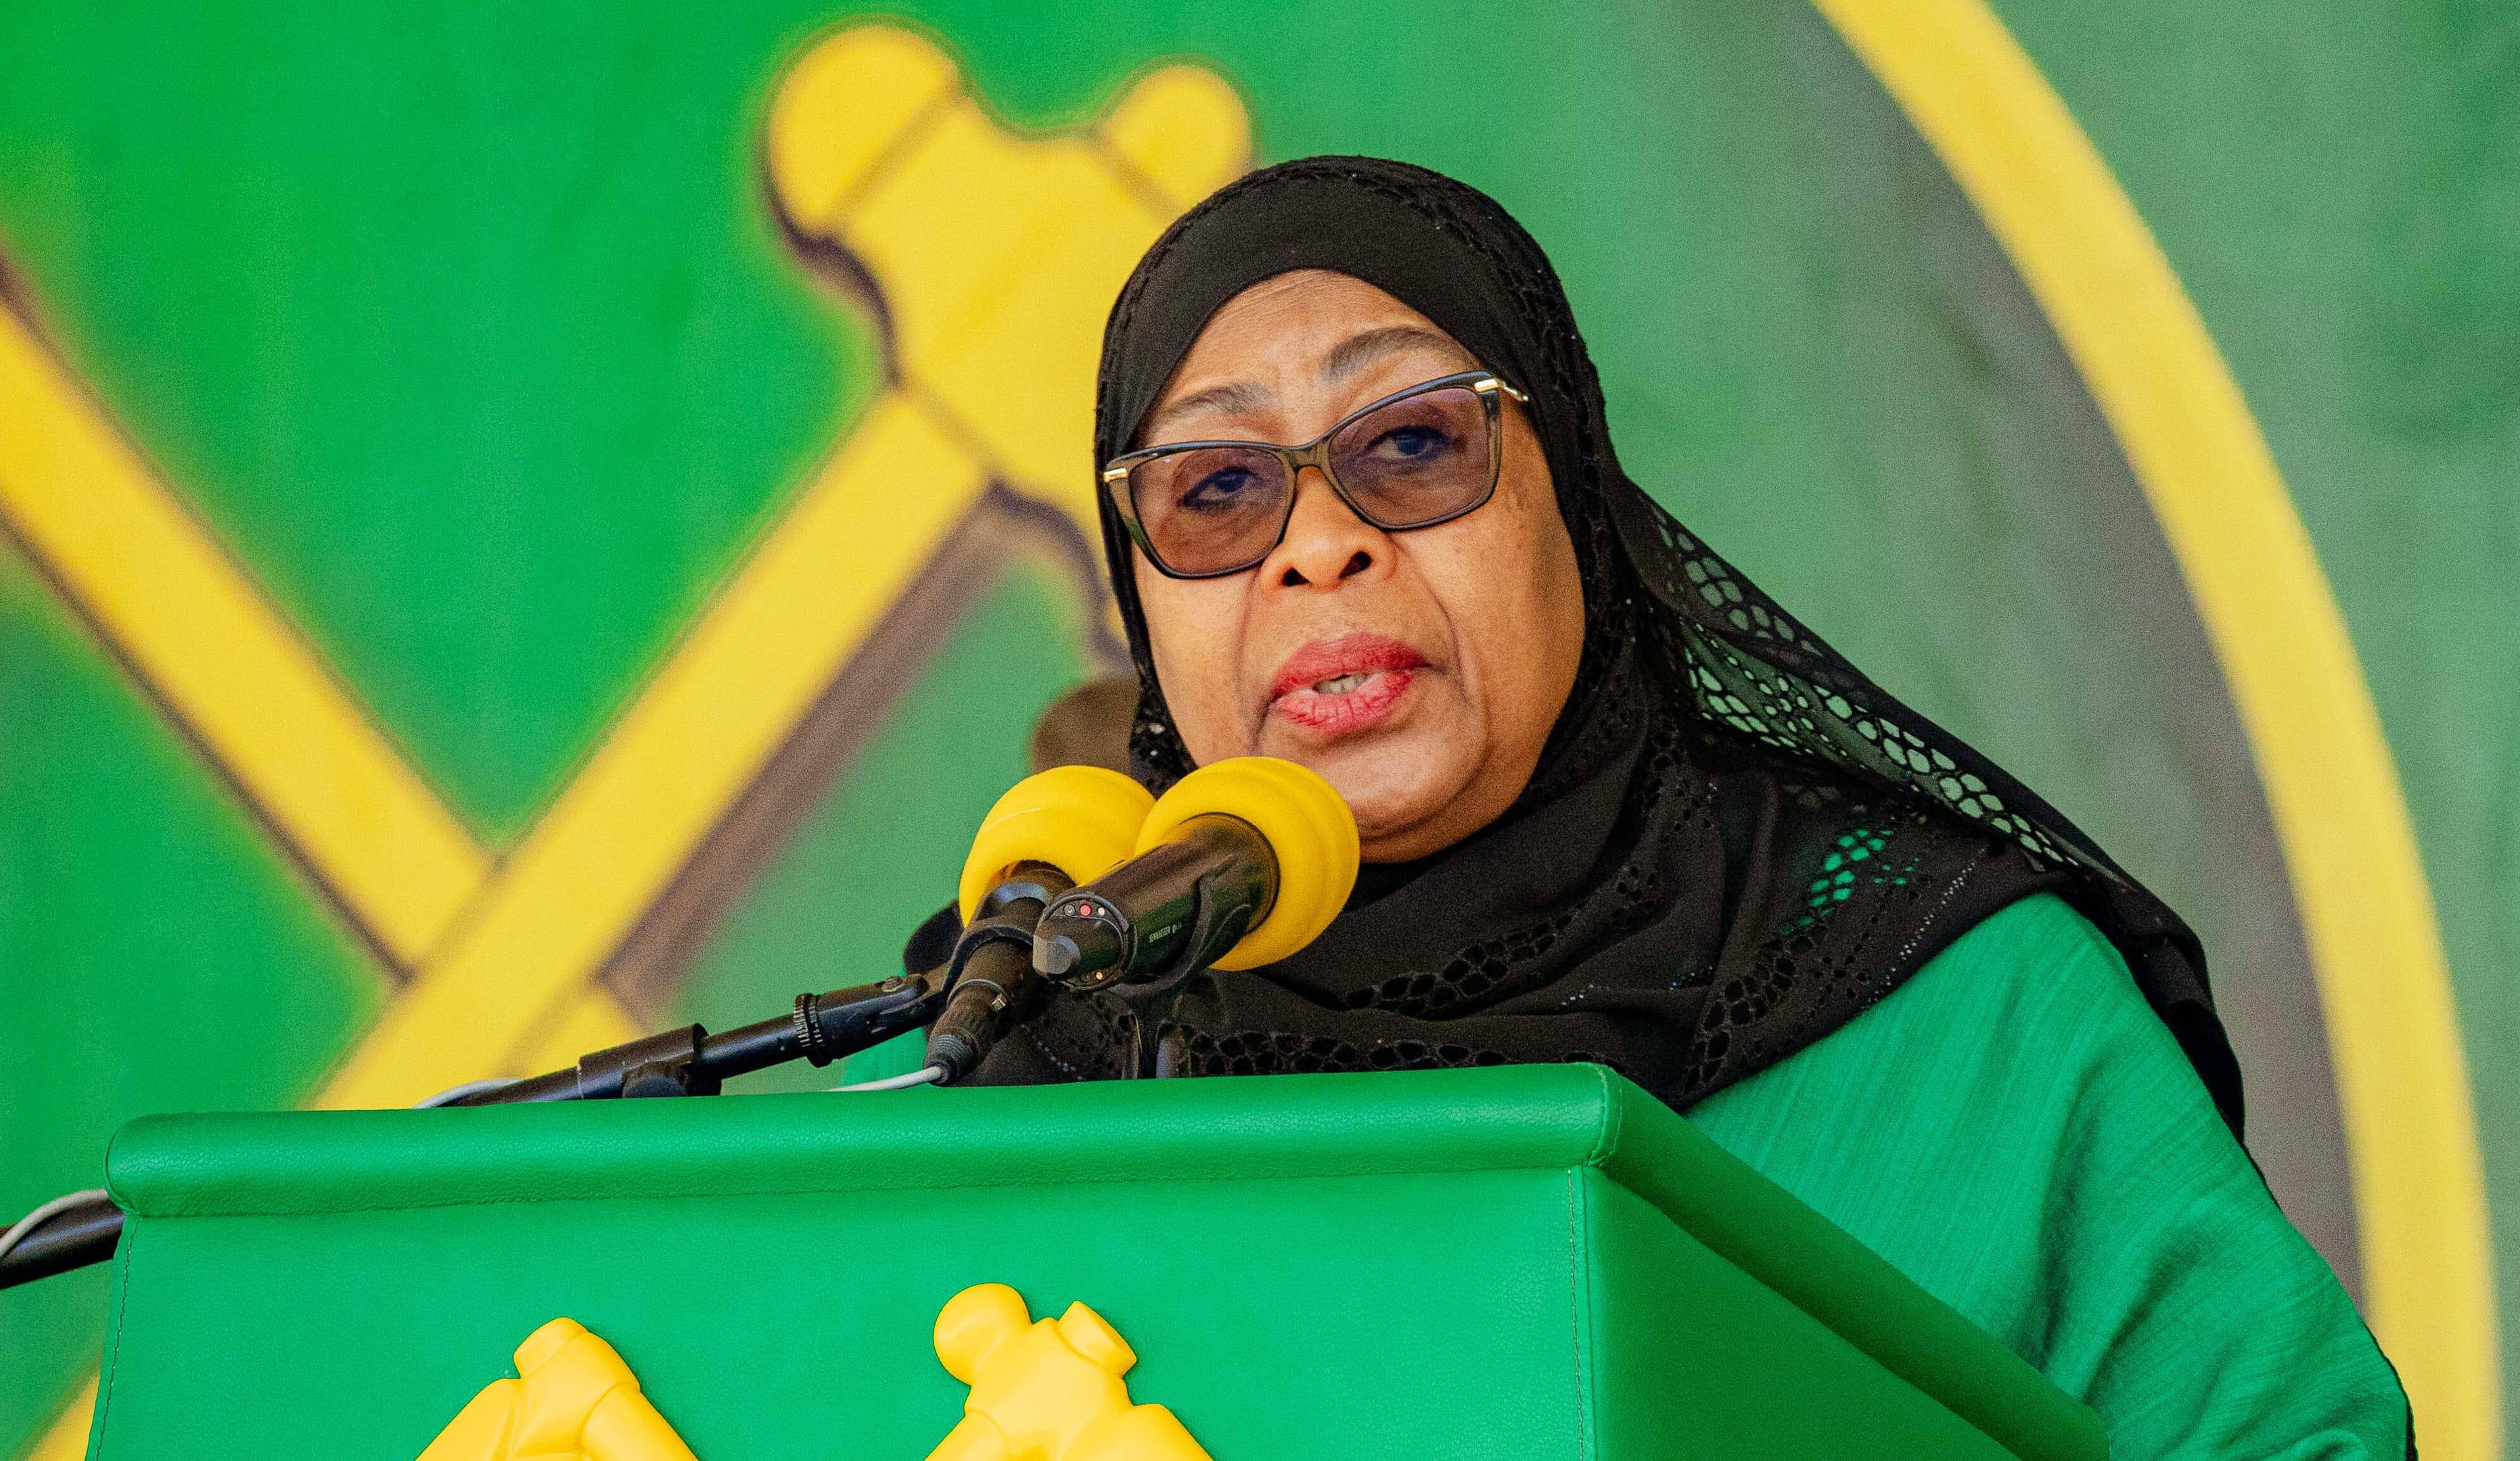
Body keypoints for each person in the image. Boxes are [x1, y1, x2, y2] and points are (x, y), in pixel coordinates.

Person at [896, 156, 2407, 1458]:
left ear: (1580, 510)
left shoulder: (1968, 1014)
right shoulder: (1027, 1058)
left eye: (1414, 445)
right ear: (1139, 600)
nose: (1321, 547)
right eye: (1216, 491)